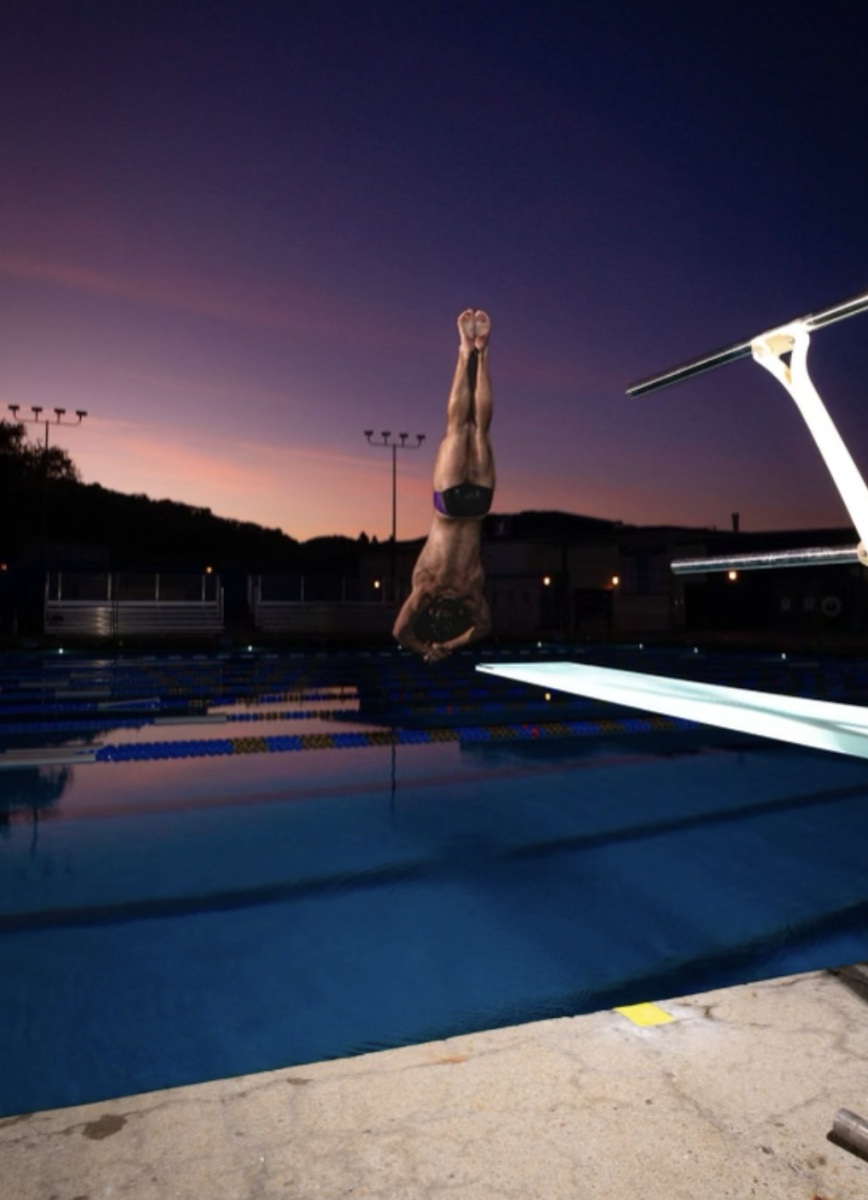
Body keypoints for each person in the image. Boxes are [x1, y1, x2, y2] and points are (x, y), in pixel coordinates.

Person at [393, 309, 495, 662]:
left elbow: (482, 628)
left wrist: (448, 647)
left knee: (476, 428)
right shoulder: (425, 588)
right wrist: (430, 648)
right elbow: (400, 631)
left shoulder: (470, 594)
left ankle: (480, 351)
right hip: (447, 506)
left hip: (478, 504)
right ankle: (466, 350)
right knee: (459, 427)